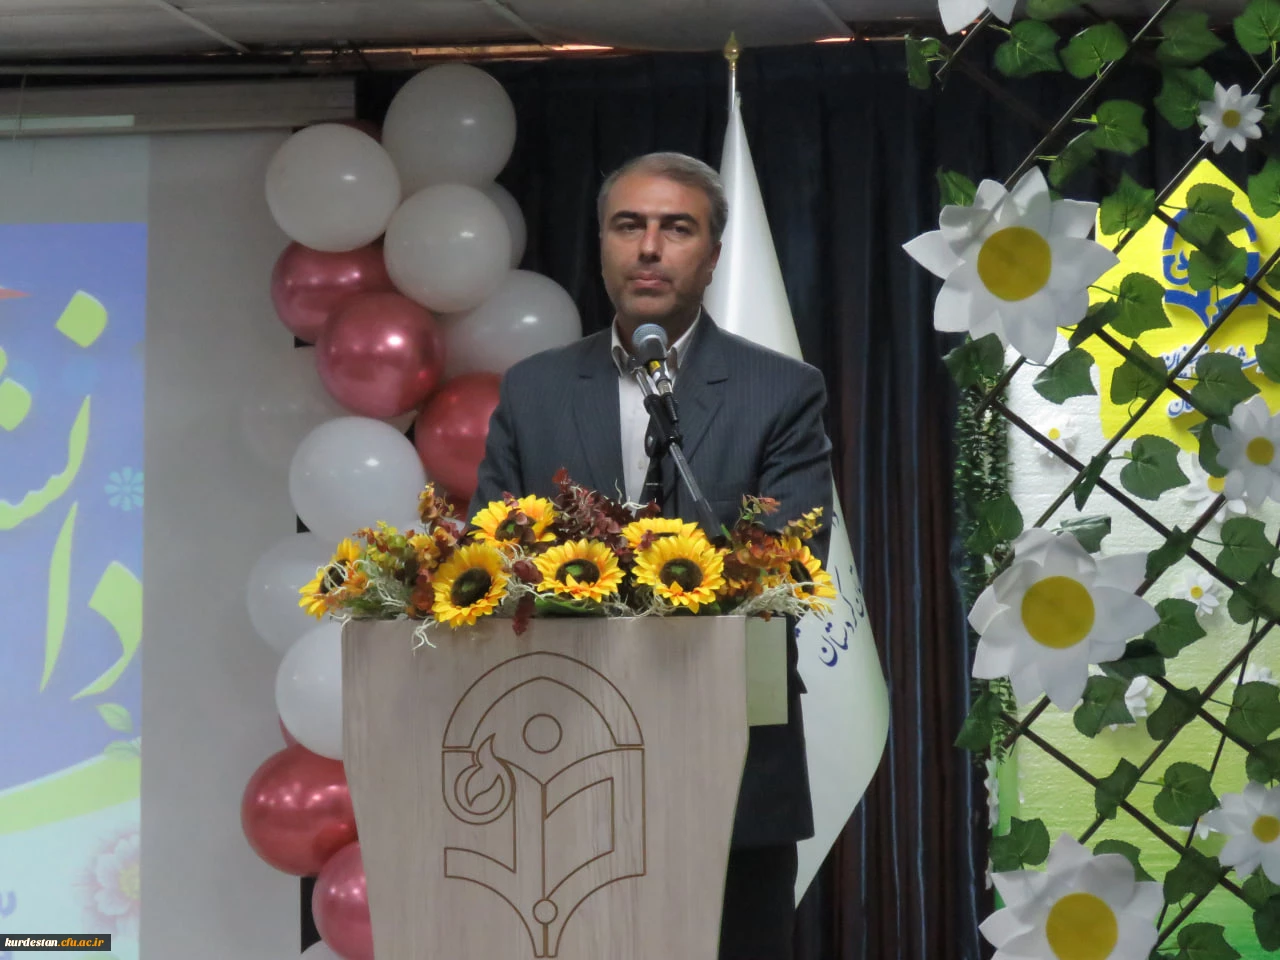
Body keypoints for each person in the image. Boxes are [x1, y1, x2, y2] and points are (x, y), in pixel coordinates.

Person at [469, 151, 835, 960]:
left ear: (712, 254)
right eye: (628, 225)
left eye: (677, 229)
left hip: (732, 765)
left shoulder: (781, 391)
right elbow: (491, 554)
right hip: (560, 761)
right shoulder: (534, 390)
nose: (648, 247)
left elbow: (787, 556)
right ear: (601, 244)